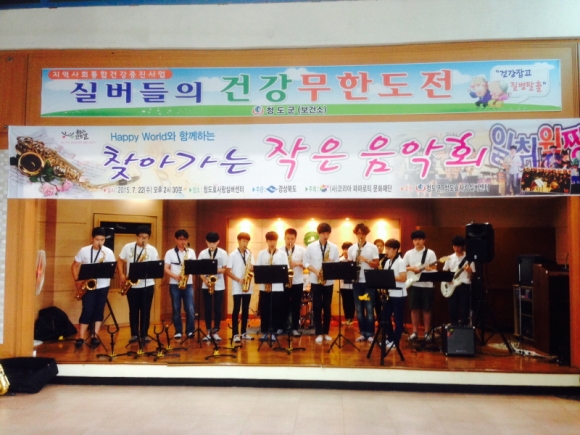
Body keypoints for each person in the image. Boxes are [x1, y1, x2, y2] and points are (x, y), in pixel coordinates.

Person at [71, 227, 116, 347]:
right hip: (88, 286)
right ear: (92, 239)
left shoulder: (108, 252)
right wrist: (77, 280)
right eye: (97, 240)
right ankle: (81, 336)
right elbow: (74, 266)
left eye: (102, 240)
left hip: (103, 285)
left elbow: (113, 269)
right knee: (87, 309)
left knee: (99, 310)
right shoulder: (84, 250)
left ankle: (94, 336)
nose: (100, 242)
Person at [117, 225, 160, 344]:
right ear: (137, 237)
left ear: (149, 238)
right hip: (132, 285)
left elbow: (157, 266)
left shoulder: (152, 250)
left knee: (146, 310)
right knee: (133, 310)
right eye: (141, 237)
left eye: (145, 238)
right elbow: (120, 260)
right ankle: (134, 334)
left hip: (148, 284)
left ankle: (144, 334)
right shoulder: (128, 247)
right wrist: (121, 274)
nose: (143, 240)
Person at [304, 222, 339, 344]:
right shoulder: (311, 247)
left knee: (327, 307)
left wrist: (330, 266)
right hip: (315, 280)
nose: (326, 236)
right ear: (319, 234)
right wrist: (316, 271)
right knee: (317, 306)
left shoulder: (333, 247)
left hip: (328, 281)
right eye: (323, 233)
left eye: (327, 233)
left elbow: (336, 263)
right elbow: (305, 262)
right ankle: (318, 332)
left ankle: (326, 332)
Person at [348, 223, 379, 343]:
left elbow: (376, 265)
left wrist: (365, 260)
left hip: (369, 282)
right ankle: (362, 333)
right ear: (356, 234)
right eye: (358, 233)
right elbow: (349, 266)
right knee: (359, 309)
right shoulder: (352, 248)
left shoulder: (372, 247)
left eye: (363, 233)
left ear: (366, 234)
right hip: (357, 282)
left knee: (369, 308)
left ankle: (370, 333)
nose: (361, 235)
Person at [403, 230, 437, 342]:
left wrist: (429, 269)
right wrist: (411, 268)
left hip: (427, 285)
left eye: (419, 239)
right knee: (414, 309)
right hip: (413, 284)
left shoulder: (430, 253)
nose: (417, 242)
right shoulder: (408, 253)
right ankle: (415, 332)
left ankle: (427, 332)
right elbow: (402, 267)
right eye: (415, 239)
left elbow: (435, 268)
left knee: (427, 309)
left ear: (424, 240)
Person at [164, 229, 196, 339]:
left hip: (188, 283)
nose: (183, 242)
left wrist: (187, 273)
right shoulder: (170, 253)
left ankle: (190, 331)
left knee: (190, 308)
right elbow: (166, 268)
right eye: (180, 239)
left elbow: (194, 267)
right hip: (174, 283)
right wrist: (175, 276)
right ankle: (178, 331)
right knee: (176, 308)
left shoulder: (191, 252)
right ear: (176, 239)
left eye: (185, 239)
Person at [256, 231, 289, 340]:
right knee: (265, 309)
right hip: (264, 287)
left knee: (276, 309)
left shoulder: (282, 254)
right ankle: (265, 332)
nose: (272, 243)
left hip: (277, 287)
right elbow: (258, 269)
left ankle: (274, 332)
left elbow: (286, 269)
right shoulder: (262, 253)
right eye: (270, 241)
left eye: (274, 240)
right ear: (266, 241)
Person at [198, 231, 229, 342]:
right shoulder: (203, 254)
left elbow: (225, 269)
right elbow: (199, 270)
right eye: (210, 243)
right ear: (206, 242)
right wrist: (205, 280)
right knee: (207, 309)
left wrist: (213, 269)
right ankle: (208, 331)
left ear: (218, 242)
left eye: (214, 243)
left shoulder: (223, 253)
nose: (212, 245)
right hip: (206, 284)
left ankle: (216, 332)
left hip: (219, 285)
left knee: (217, 309)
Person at [225, 232, 254, 343]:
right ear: (238, 241)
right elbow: (227, 271)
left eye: (247, 241)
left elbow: (252, 268)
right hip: (237, 286)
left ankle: (244, 332)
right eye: (243, 241)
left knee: (245, 309)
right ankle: (235, 334)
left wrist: (251, 268)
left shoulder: (250, 254)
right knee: (236, 309)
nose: (245, 243)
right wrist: (238, 280)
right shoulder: (233, 255)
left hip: (247, 286)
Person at [442, 235, 475, 326]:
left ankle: (463, 326)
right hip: (452, 286)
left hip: (464, 285)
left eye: (458, 246)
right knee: (452, 307)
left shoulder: (469, 258)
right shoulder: (449, 258)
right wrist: (447, 279)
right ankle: (454, 326)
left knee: (464, 308)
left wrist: (470, 271)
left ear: (462, 246)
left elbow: (472, 277)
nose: (456, 248)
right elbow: (444, 272)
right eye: (454, 246)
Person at [381, 238, 407, 349]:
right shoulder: (387, 262)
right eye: (386, 249)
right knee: (385, 317)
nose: (386, 251)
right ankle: (390, 338)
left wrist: (389, 277)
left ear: (395, 250)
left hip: (399, 295)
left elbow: (403, 278)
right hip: (390, 294)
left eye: (388, 249)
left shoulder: (400, 262)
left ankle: (396, 341)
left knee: (398, 319)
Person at [282, 228, 306, 336]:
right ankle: (283, 327)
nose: (290, 241)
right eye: (288, 238)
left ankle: (295, 328)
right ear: (284, 238)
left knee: (296, 306)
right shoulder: (280, 250)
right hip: (284, 282)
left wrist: (297, 263)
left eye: (292, 238)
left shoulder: (302, 250)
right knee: (283, 305)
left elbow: (306, 264)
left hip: (297, 282)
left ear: (295, 239)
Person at [339, 242, 355, 326]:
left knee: (352, 302)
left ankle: (351, 318)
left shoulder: (354, 260)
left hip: (352, 285)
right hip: (343, 285)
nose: (346, 251)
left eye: (348, 249)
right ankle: (346, 318)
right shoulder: (340, 260)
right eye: (344, 249)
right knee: (345, 301)